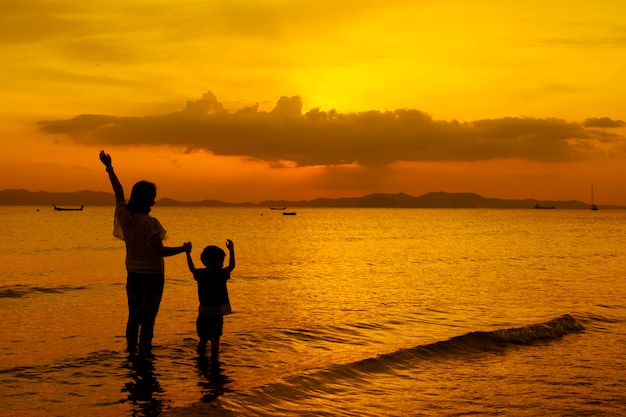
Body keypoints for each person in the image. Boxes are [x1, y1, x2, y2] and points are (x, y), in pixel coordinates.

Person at [99, 150, 191, 356]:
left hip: (133, 275)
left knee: (133, 317)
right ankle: (145, 352)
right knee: (148, 318)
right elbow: (159, 251)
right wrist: (183, 249)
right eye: (152, 198)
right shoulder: (150, 223)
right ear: (145, 199)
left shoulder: (124, 215)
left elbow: (118, 191)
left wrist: (109, 168)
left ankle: (131, 351)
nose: (154, 202)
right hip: (152, 277)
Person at [186, 239, 235, 356]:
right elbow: (232, 266)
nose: (223, 264)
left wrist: (187, 253)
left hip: (203, 313)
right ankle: (214, 361)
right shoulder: (220, 274)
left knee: (203, 340)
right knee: (215, 340)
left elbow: (191, 269)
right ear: (215, 261)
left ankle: (201, 360)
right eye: (221, 261)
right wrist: (232, 250)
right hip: (216, 314)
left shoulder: (201, 274)